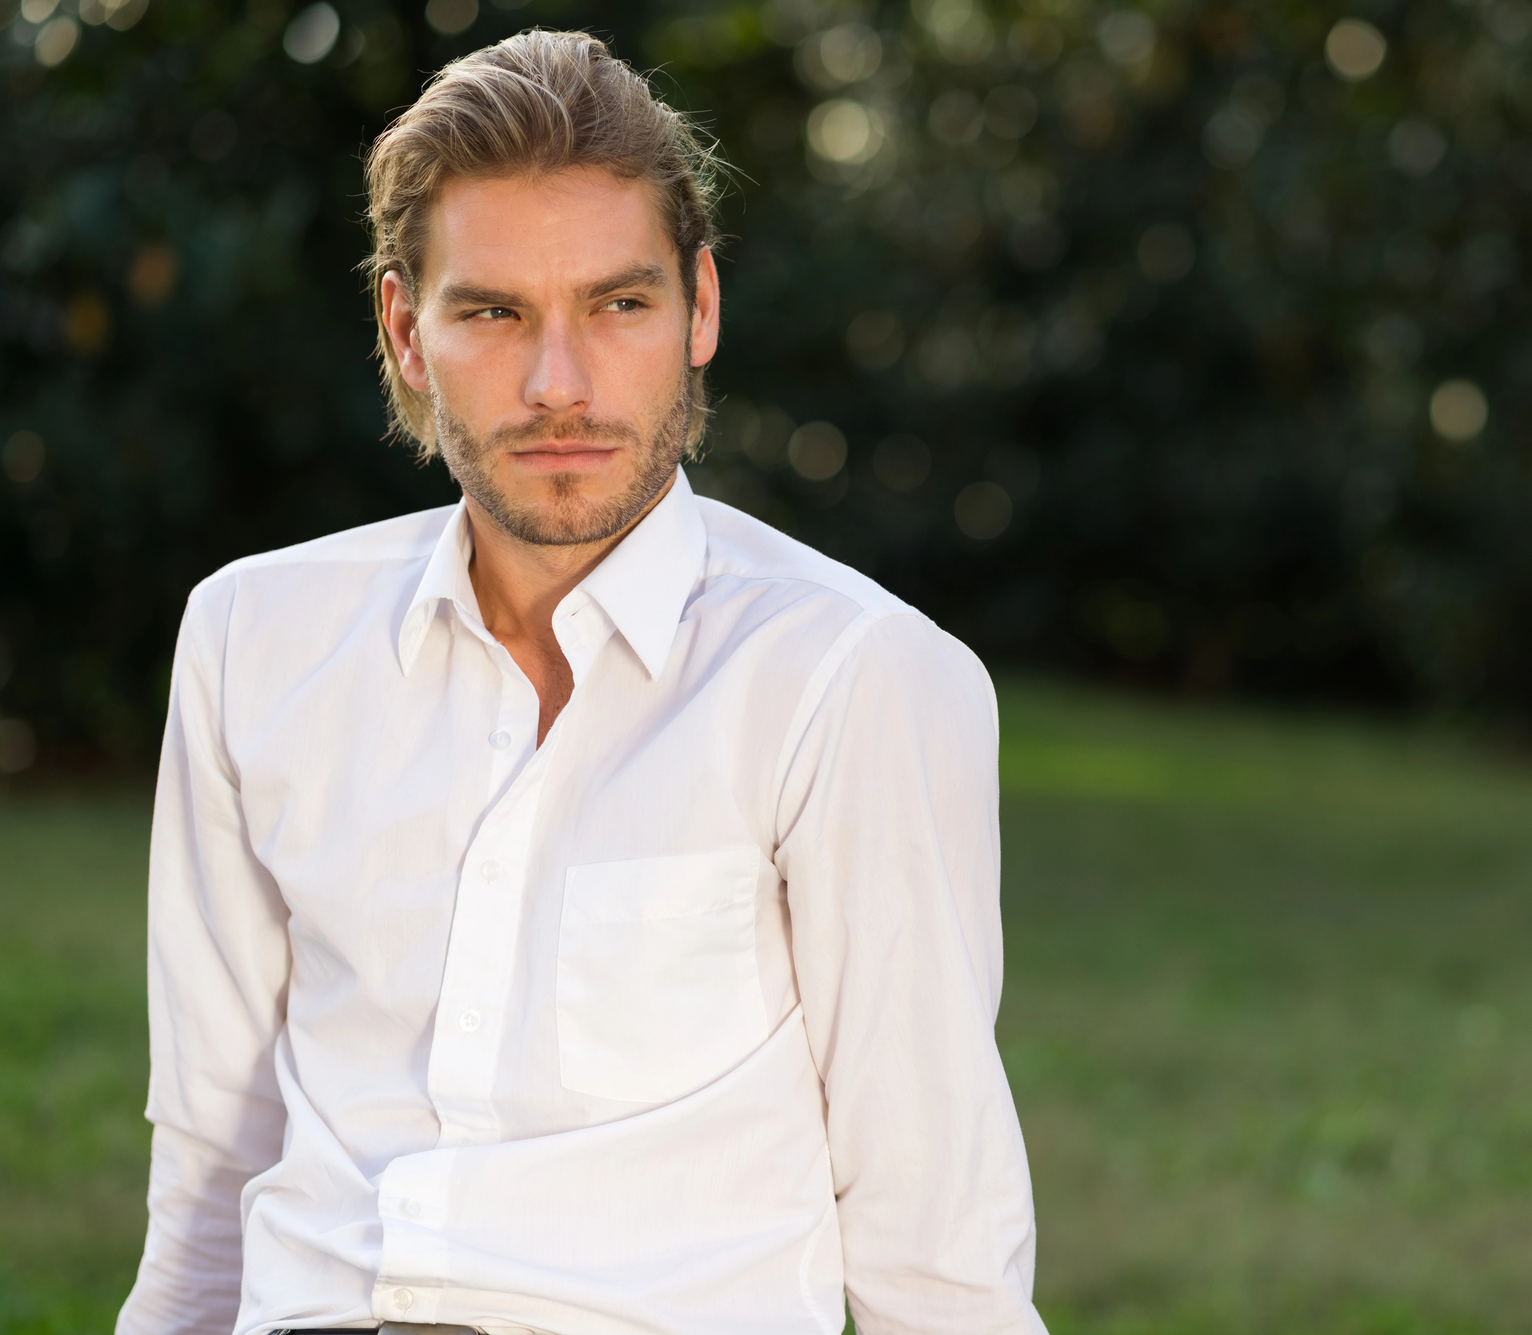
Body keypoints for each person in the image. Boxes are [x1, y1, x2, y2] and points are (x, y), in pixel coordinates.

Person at [117, 29, 1044, 1335]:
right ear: (404, 328)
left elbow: (931, 1233)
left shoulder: (848, 677)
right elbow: (210, 1165)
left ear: (701, 308)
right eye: (492, 312)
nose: (560, 386)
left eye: (619, 305)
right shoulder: (253, 640)